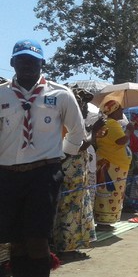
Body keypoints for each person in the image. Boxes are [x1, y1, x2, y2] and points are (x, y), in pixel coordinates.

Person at [0, 39, 85, 277]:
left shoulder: (60, 95)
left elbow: (77, 132)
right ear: (13, 63)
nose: (27, 65)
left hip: (42, 174)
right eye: (21, 60)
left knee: (37, 240)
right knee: (16, 242)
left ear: (41, 64)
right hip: (7, 176)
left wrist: (60, 157)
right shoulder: (1, 95)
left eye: (33, 61)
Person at [52, 86, 106, 261]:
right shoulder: (66, 121)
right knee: (69, 211)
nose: (83, 110)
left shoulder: (70, 120)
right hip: (69, 171)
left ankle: (70, 246)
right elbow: (77, 146)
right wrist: (94, 132)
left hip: (75, 172)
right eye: (82, 106)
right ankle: (66, 248)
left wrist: (91, 130)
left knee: (74, 209)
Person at [93, 99, 133, 230]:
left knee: (107, 192)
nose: (122, 111)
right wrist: (129, 131)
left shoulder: (107, 123)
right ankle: (104, 222)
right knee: (110, 192)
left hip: (110, 164)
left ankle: (104, 221)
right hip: (112, 166)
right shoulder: (112, 124)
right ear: (114, 111)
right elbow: (121, 141)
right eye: (120, 109)